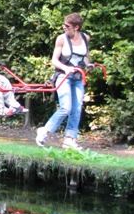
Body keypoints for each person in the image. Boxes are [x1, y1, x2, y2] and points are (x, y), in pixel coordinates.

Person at [36, 13, 92, 151]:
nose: (64, 28)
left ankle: (70, 139)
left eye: (67, 26)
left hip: (78, 77)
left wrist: (89, 64)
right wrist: (66, 68)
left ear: (76, 27)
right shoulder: (61, 39)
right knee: (65, 107)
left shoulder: (85, 38)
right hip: (63, 77)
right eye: (64, 25)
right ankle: (45, 131)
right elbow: (54, 60)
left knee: (77, 108)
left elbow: (85, 57)